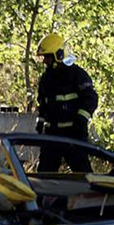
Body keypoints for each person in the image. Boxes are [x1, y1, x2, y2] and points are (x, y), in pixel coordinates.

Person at [35, 33, 97, 173]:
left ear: (59, 54)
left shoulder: (77, 74)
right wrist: (41, 121)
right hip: (52, 135)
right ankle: (43, 196)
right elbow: (43, 103)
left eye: (47, 56)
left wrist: (81, 118)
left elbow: (90, 98)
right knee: (44, 176)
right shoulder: (46, 78)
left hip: (73, 135)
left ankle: (90, 195)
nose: (45, 61)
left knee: (83, 177)